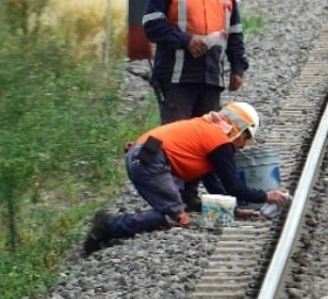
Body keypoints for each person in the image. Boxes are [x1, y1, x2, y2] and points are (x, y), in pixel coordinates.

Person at [82, 102, 291, 254]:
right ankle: (109, 226)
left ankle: (110, 229)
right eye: (246, 138)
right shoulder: (220, 141)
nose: (243, 146)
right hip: (150, 161)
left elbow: (213, 184)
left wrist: (233, 210)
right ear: (240, 130)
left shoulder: (208, 130)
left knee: (175, 211)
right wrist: (267, 196)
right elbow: (234, 186)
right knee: (174, 217)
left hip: (142, 156)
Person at [144, 0, 248, 125]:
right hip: (176, 80)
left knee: (207, 138)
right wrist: (186, 40)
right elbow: (151, 25)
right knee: (178, 138)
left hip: (211, 78)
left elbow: (235, 31)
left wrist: (237, 68)